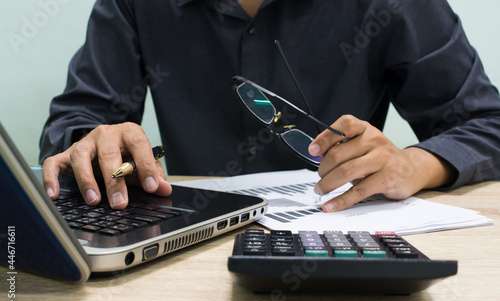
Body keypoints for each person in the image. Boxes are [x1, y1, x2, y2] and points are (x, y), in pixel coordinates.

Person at [40, 0, 500, 212]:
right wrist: (90, 145)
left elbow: (486, 122)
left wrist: (415, 165)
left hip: (343, 241)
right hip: (181, 249)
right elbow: (77, 121)